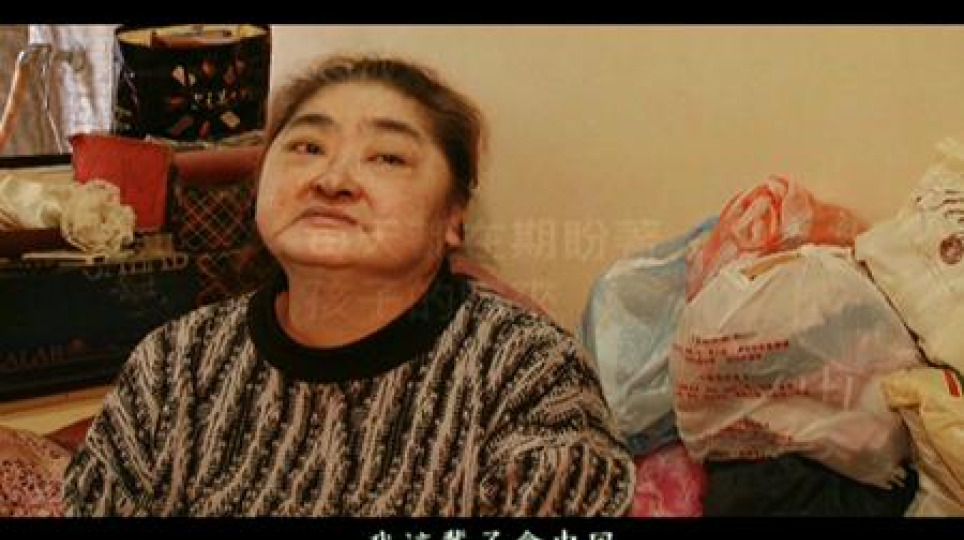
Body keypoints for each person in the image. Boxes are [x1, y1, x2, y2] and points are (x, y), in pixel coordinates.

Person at [63, 54, 634, 516]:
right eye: (307, 147)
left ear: (453, 217)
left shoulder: (526, 371)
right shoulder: (175, 361)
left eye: (387, 158)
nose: (333, 180)